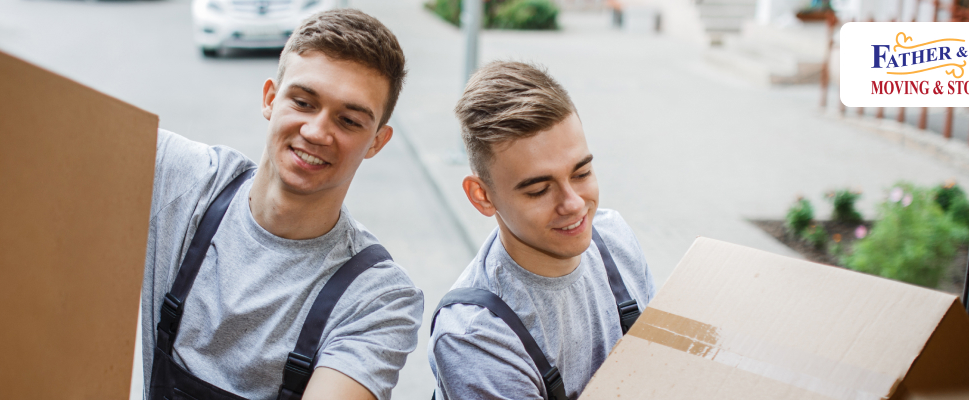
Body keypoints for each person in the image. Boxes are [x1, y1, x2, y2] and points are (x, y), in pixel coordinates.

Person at [141, 9, 421, 400]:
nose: (317, 132)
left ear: (377, 141)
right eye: (304, 102)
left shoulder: (377, 298)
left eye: (349, 121)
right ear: (270, 98)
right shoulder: (185, 182)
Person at [428, 61, 656, 400]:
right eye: (539, 190)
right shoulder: (476, 334)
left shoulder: (615, 238)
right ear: (482, 196)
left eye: (581, 173)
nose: (575, 204)